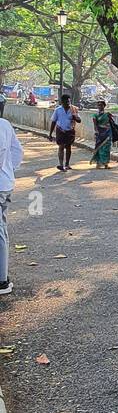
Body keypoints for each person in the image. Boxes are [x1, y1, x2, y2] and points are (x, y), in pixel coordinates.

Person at [0, 111, 24, 296]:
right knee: (2, 230)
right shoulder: (5, 124)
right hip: (5, 184)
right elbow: (17, 151)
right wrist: (10, 170)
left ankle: (2, 279)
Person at [48, 93, 80, 171]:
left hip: (70, 131)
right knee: (61, 146)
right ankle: (61, 164)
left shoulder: (74, 109)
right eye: (66, 102)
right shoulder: (57, 110)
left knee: (68, 147)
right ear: (62, 102)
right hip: (60, 130)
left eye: (69, 102)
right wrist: (50, 134)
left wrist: (74, 117)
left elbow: (79, 120)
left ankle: (67, 164)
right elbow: (53, 122)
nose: (67, 103)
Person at [89, 97, 115, 169]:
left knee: (106, 148)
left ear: (104, 106)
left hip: (108, 133)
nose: (100, 106)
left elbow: (112, 122)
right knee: (99, 148)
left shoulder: (107, 114)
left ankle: (106, 164)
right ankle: (98, 163)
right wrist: (97, 131)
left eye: (101, 105)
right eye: (99, 105)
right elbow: (95, 125)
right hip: (100, 133)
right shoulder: (95, 115)